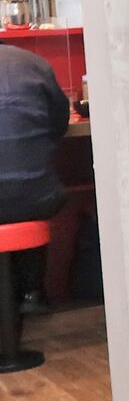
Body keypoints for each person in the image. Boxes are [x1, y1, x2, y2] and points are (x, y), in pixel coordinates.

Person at [0, 18, 70, 312]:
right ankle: (31, 292)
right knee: (25, 191)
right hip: (38, 195)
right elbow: (59, 124)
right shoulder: (35, 64)